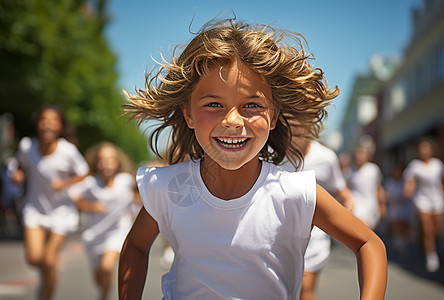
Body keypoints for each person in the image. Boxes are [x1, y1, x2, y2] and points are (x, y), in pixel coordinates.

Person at [118, 19, 387, 300]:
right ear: (188, 114)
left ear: (272, 116)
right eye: (213, 104)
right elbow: (136, 246)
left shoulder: (296, 194)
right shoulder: (167, 186)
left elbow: (369, 244)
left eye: (251, 105)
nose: (232, 120)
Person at [10, 105, 89, 300]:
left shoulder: (67, 150)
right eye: (44, 120)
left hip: (61, 212)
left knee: (49, 259)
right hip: (35, 209)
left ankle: (46, 296)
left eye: (54, 121)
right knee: (35, 259)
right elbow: (19, 164)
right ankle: (47, 277)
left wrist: (65, 182)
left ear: (61, 126)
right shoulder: (27, 146)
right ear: (38, 123)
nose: (48, 125)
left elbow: (84, 171)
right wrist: (17, 173)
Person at [280, 134, 354, 300]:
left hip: (313, 239)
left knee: (304, 291)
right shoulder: (269, 152)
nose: (295, 125)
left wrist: (345, 210)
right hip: (276, 236)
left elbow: (343, 193)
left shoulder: (326, 157)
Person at [69, 142, 139, 300]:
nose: (106, 163)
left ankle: (103, 297)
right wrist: (91, 206)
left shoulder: (125, 180)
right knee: (98, 277)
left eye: (110, 159)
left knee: (106, 267)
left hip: (117, 232)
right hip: (94, 235)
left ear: (117, 162)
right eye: (102, 160)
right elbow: (76, 199)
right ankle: (103, 291)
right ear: (96, 163)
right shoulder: (91, 183)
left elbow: (140, 193)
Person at [403, 138, 444, 272]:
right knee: (428, 230)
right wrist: (408, 190)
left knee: (438, 231)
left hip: (437, 200)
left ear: (431, 151)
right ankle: (431, 256)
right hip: (422, 200)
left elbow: (443, 182)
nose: (423, 151)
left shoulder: (437, 164)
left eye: (426, 148)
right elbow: (409, 182)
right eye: (421, 149)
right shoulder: (415, 166)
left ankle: (423, 242)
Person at [347, 145, 386, 230]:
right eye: (357, 153)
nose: (359, 156)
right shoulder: (349, 172)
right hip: (357, 208)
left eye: (361, 153)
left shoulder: (373, 169)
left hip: (372, 207)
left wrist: (382, 204)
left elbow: (378, 188)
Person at [384, 164, 411, 255]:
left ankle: (404, 243)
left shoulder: (404, 182)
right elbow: (387, 196)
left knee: (404, 227)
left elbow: (407, 193)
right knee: (396, 227)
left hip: (404, 209)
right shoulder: (389, 182)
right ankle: (398, 244)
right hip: (394, 209)